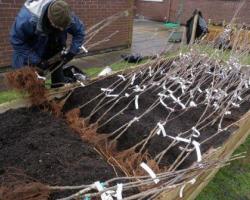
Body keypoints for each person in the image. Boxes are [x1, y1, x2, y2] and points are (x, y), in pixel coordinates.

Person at [10, 0, 85, 87]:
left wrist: (72, 52)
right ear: (49, 18)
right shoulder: (27, 20)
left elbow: (79, 32)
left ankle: (58, 91)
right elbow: (17, 41)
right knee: (37, 88)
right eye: (58, 26)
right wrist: (37, 61)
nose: (61, 30)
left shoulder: (65, 15)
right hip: (33, 55)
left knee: (59, 83)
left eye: (63, 28)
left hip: (55, 52)